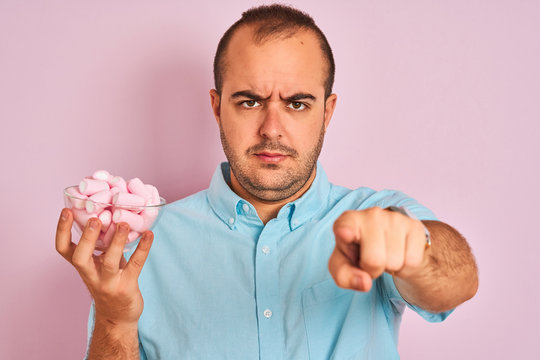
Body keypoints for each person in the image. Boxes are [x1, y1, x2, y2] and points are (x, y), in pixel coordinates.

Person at [56, 4, 478, 359]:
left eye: (297, 104)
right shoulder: (142, 242)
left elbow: (456, 285)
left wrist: (412, 248)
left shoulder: (377, 214)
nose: (271, 128)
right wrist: (114, 318)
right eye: (250, 101)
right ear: (217, 107)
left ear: (327, 112)